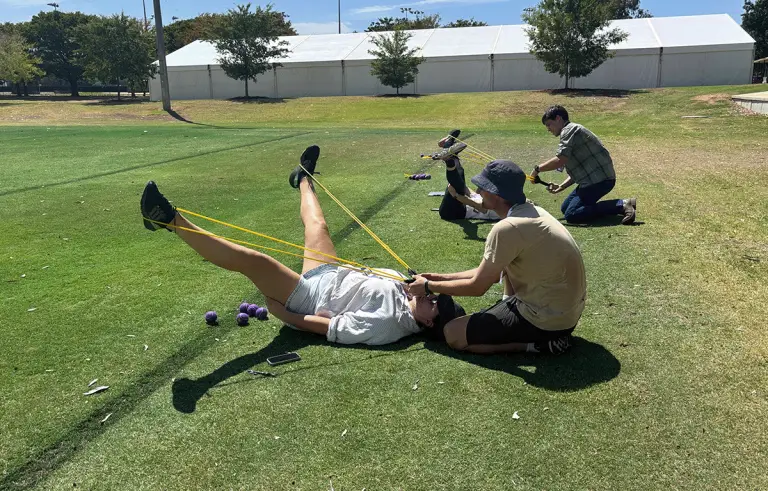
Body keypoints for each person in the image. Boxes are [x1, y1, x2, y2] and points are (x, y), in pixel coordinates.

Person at [140, 145, 465, 345]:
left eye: (436, 306)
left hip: (308, 298)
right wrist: (415, 287)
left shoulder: (387, 326)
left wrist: (288, 316)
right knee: (317, 225)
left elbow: (329, 327)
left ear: (427, 323)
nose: (433, 300)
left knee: (256, 262)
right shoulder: (409, 292)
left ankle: (168, 220)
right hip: (329, 273)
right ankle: (304, 176)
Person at [406, 159, 586, 355]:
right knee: (508, 269)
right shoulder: (532, 211)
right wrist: (437, 278)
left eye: (482, 187)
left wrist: (427, 287)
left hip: (546, 320)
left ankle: (538, 345)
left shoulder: (507, 228)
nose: (478, 190)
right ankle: (521, 321)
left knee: (453, 333)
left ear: (495, 194)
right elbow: (488, 273)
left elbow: (477, 287)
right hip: (566, 313)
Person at [531, 105, 637, 225]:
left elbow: (560, 160)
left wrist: (537, 169)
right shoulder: (571, 132)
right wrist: (562, 186)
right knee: (565, 208)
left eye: (549, 124)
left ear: (558, 119)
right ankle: (616, 205)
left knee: (572, 214)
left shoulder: (569, 130)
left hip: (600, 181)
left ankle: (622, 204)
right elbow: (580, 168)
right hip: (591, 180)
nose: (548, 129)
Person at [430, 129, 500, 222]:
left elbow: (475, 205)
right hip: (460, 205)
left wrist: (455, 195)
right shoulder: (498, 199)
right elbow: (474, 195)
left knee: (457, 182)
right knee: (459, 174)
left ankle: (448, 153)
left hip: (453, 213)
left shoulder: (500, 210)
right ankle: (448, 152)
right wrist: (463, 186)